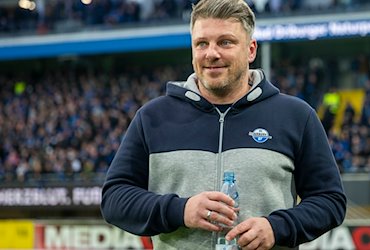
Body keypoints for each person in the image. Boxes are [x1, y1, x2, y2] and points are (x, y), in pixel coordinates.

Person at [101, 0, 346, 249]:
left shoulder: (296, 116)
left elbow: (330, 200)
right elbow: (114, 199)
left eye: (225, 42)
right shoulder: (152, 117)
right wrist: (180, 210)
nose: (211, 53)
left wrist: (278, 227)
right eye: (202, 44)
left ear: (251, 50)